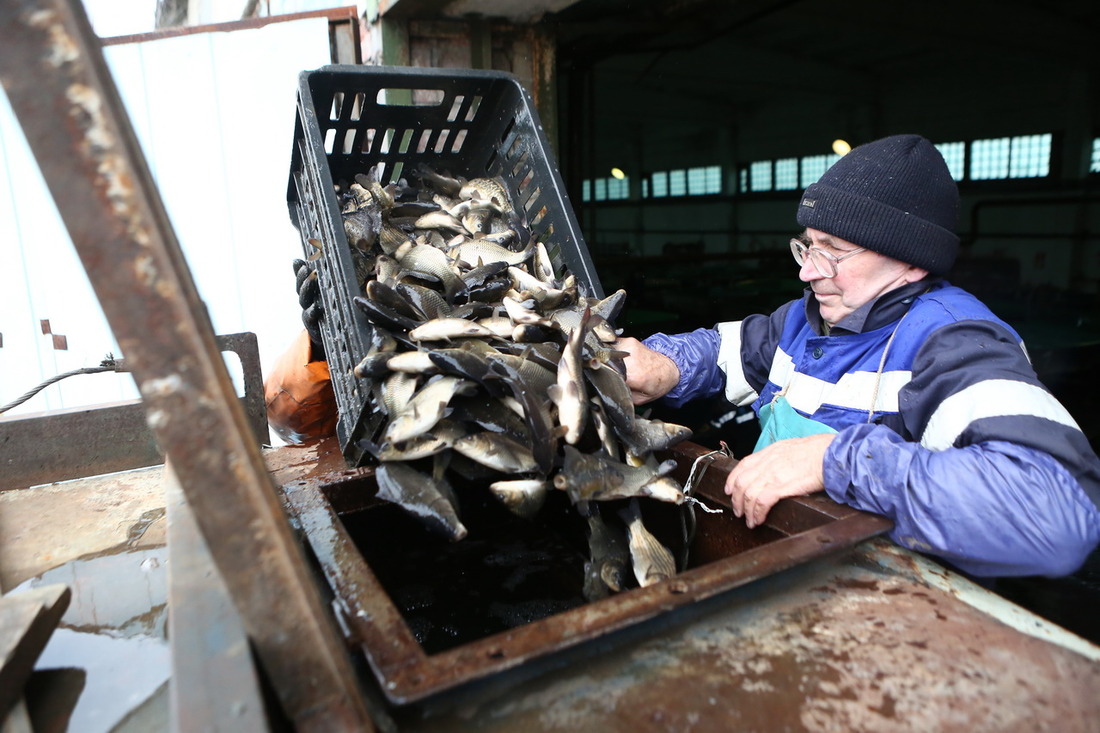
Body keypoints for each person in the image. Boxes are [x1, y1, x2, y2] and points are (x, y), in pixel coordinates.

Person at [618, 133, 1100, 578]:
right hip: (783, 566)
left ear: (911, 261)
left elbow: (1056, 513)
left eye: (833, 252)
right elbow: (730, 348)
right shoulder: (805, 319)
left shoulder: (955, 344)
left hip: (894, 599)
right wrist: (667, 363)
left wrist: (836, 462)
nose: (808, 272)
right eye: (807, 247)